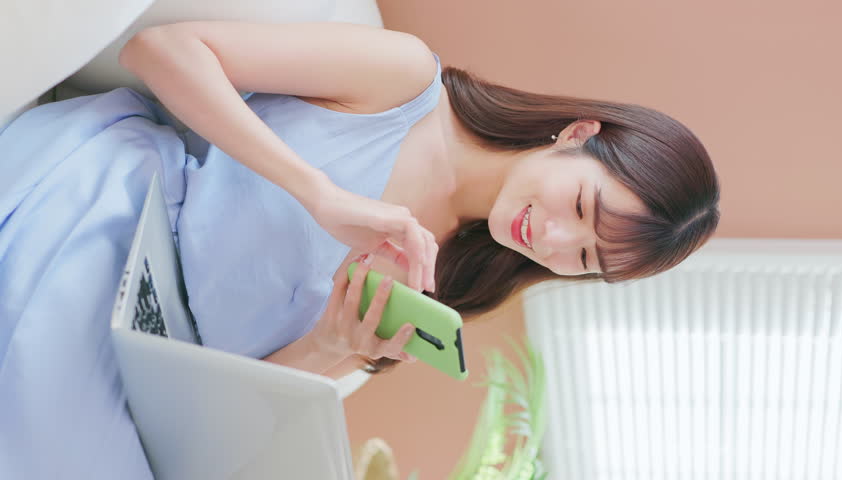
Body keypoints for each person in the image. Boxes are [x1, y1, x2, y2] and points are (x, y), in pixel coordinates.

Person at [0, 21, 719, 477]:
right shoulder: (405, 84)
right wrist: (319, 194)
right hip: (118, 217)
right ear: (577, 134)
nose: (554, 240)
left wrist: (328, 346)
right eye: (581, 206)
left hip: (150, 350)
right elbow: (159, 50)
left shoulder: (445, 288)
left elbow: (225, 392)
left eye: (584, 258)